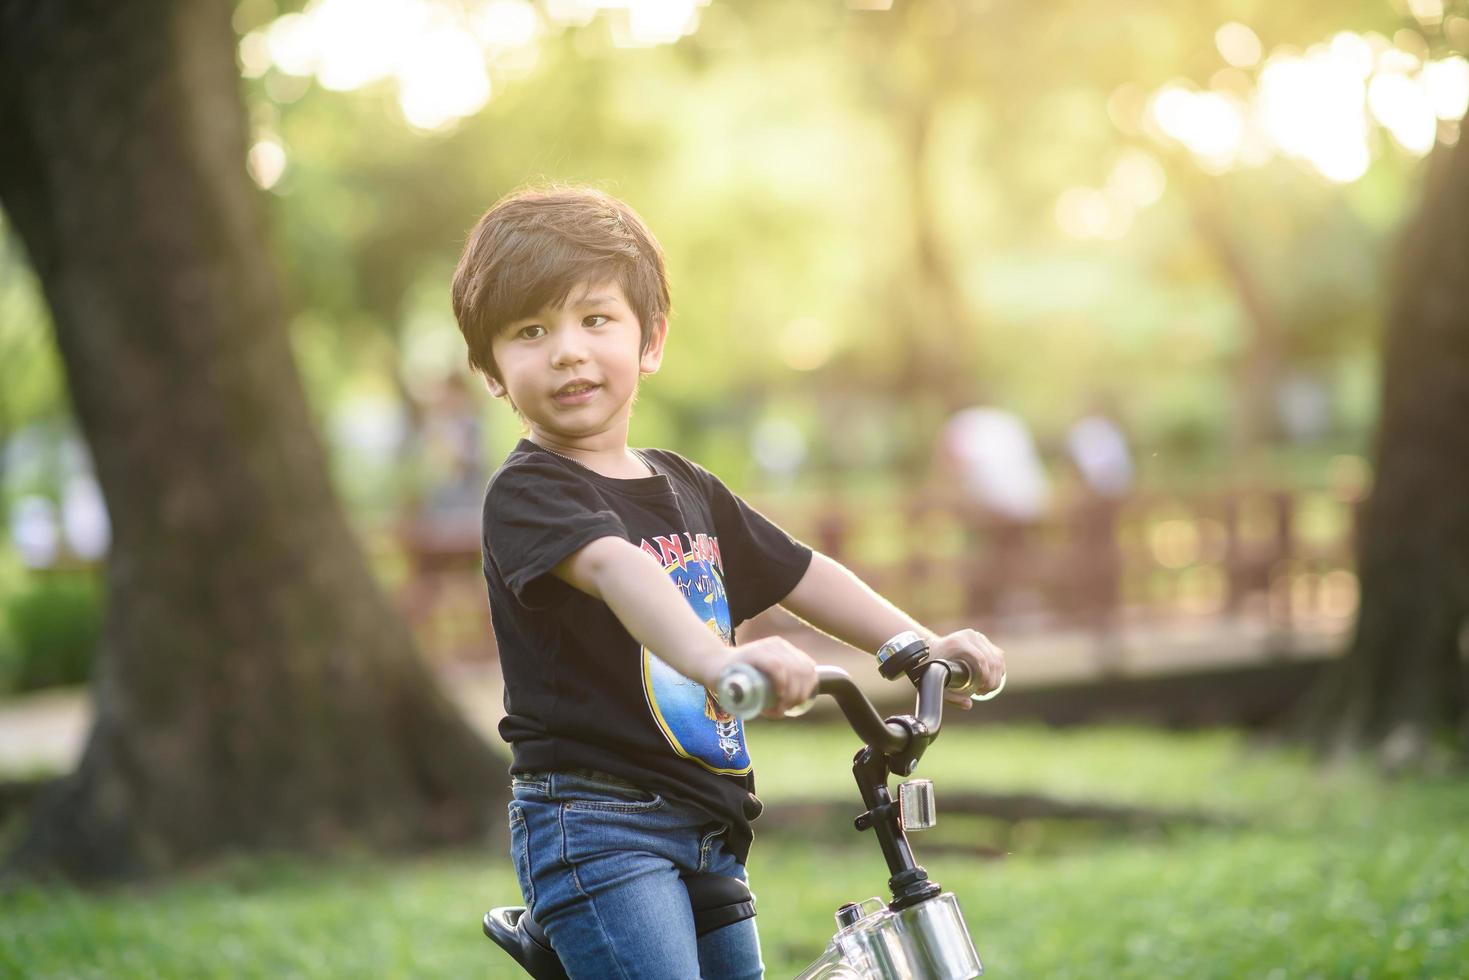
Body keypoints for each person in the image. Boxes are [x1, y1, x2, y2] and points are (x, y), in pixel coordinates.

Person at [451, 185, 1006, 979]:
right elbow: (619, 568)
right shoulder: (532, 491)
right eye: (530, 332)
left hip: (709, 819)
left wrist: (915, 647)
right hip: (598, 823)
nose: (567, 350)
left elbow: (798, 569)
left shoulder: (686, 486)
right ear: (492, 371)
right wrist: (720, 664)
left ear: (650, 341)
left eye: (594, 319)